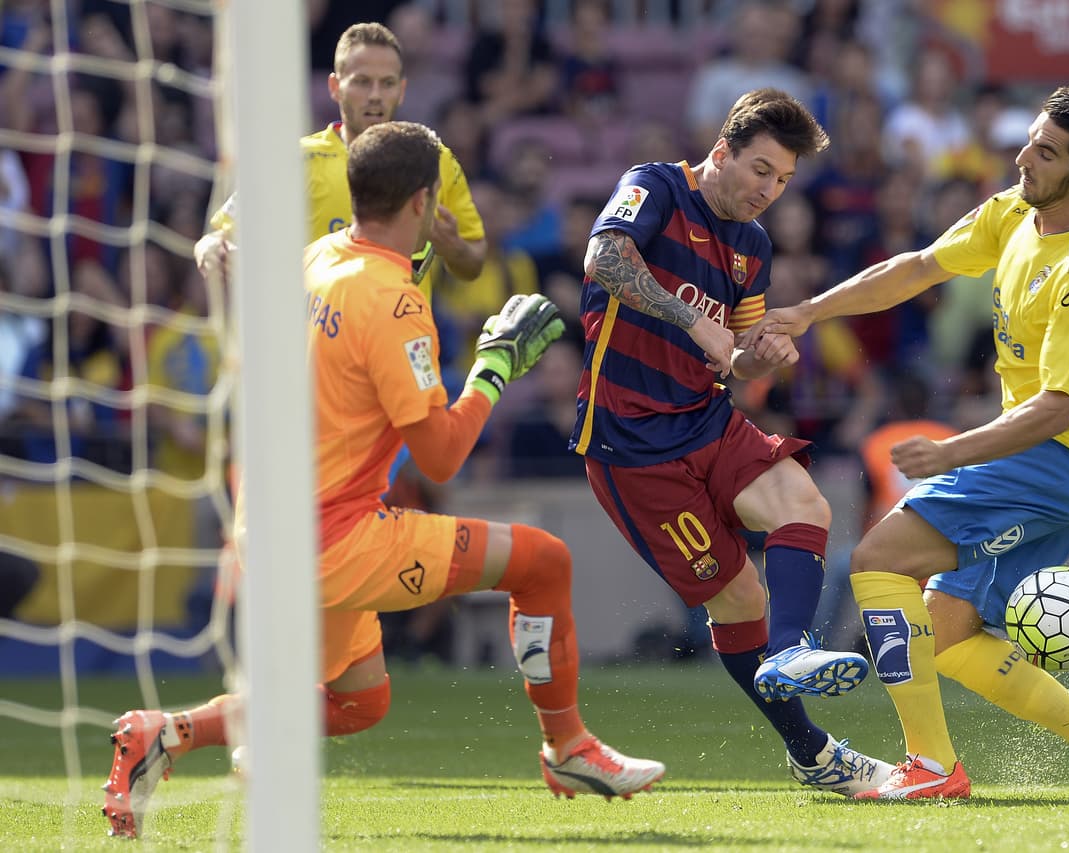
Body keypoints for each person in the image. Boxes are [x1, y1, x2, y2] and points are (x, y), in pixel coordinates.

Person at [102, 122, 664, 839]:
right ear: (425, 201)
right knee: (544, 561)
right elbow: (439, 459)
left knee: (360, 701)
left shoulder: (318, 256)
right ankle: (569, 747)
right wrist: (494, 367)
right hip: (339, 537)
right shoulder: (396, 305)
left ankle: (162, 731)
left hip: (270, 523)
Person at [743, 84, 1069, 800]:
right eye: (1030, 139)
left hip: (1053, 459)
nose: (1025, 157)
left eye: (1047, 152)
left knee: (877, 559)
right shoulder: (1013, 212)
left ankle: (932, 769)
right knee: (952, 631)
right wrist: (811, 310)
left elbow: (1057, 409)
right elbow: (916, 268)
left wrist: (952, 452)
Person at [570, 87, 894, 797]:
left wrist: (760, 357)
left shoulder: (752, 244)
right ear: (721, 153)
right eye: (759, 170)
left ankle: (791, 649)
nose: (767, 191)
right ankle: (811, 749)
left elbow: (735, 357)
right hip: (631, 443)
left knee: (805, 503)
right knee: (740, 597)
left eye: (781, 180)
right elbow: (603, 259)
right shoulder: (654, 186)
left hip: (707, 417)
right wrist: (692, 320)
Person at [194, 22, 486, 288]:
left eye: (387, 83)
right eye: (362, 82)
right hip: (314, 341)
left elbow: (473, 263)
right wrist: (211, 250)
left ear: (402, 90)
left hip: (403, 340)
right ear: (335, 87)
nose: (375, 95)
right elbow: (217, 237)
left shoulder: (434, 159)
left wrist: (452, 247)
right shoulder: (296, 160)